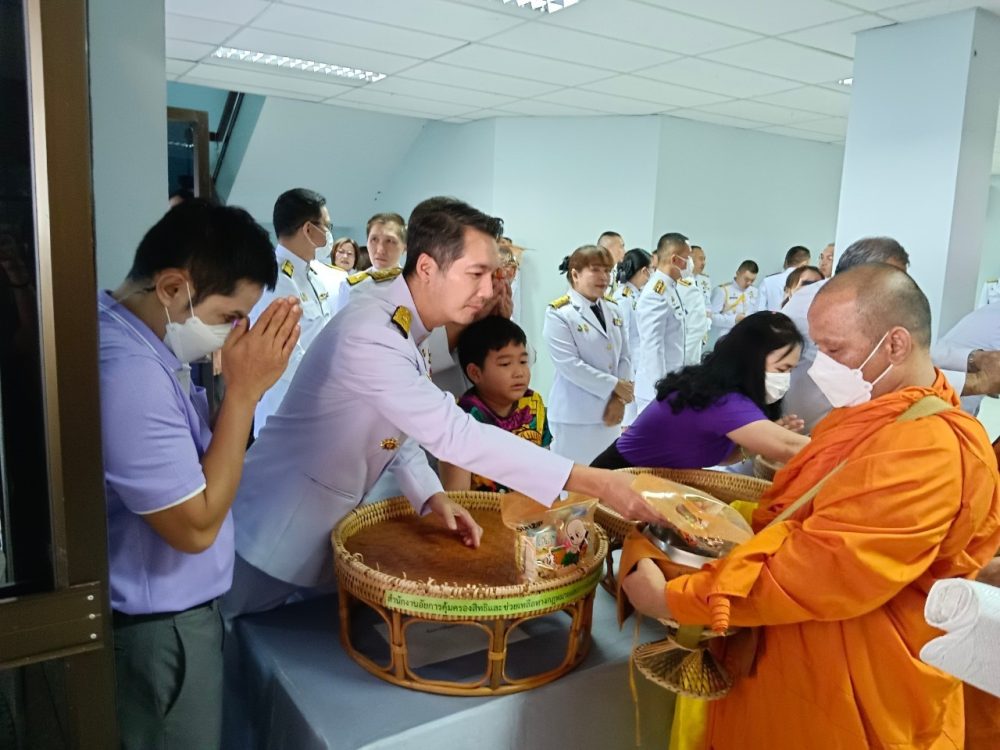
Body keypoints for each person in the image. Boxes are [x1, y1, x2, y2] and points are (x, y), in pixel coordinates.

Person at [622, 263, 1000, 750]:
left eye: (836, 350)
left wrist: (676, 600)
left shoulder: (927, 447)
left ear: (895, 344)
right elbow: (802, 510)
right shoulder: (872, 415)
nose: (823, 368)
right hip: (792, 654)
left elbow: (823, 570)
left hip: (851, 684)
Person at [225, 197, 661, 617]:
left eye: (493, 274)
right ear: (427, 268)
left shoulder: (403, 326)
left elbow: (397, 429)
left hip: (316, 525)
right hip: (273, 532)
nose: (488, 290)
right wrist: (596, 482)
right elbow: (455, 433)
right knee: (240, 638)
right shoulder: (372, 332)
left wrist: (431, 495)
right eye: (476, 274)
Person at [99, 200, 301, 749]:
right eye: (228, 318)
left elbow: (192, 457)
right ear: (171, 287)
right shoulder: (131, 376)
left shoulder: (131, 332)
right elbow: (195, 527)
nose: (232, 333)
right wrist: (244, 392)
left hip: (169, 616)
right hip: (159, 627)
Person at [591, 312, 809, 470]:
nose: (785, 379)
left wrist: (759, 440)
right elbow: (789, 447)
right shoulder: (721, 400)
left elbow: (719, 456)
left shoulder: (720, 390)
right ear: (751, 359)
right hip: (617, 479)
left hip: (651, 483)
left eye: (790, 370)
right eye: (781, 369)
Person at [781, 237, 909, 433]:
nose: (898, 289)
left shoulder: (862, 303)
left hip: (824, 424)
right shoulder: (830, 303)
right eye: (892, 279)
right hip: (804, 425)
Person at [250, 188, 334, 437]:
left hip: (313, 408)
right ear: (308, 230)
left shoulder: (311, 274)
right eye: (326, 226)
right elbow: (284, 358)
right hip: (286, 416)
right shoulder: (278, 280)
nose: (329, 235)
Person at [439, 316, 550, 492]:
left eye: (523, 361)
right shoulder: (461, 417)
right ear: (475, 373)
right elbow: (457, 495)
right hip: (483, 508)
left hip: (530, 506)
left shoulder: (533, 403)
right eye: (505, 364)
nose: (519, 372)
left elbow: (547, 469)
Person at [544, 245, 632, 465]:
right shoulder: (559, 313)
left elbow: (624, 356)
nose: (604, 277)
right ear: (575, 274)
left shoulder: (613, 308)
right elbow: (569, 365)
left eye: (608, 270)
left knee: (607, 476)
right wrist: (615, 386)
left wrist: (619, 399)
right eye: (595, 270)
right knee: (573, 480)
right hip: (575, 416)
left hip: (610, 412)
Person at [633, 232, 698, 414]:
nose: (690, 263)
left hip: (671, 384)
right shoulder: (656, 293)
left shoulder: (670, 287)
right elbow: (652, 346)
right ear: (675, 260)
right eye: (688, 258)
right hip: (656, 391)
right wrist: (661, 389)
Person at [332, 212, 407, 315]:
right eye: (374, 239)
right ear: (367, 243)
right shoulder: (350, 286)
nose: (380, 250)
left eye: (389, 241)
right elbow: (340, 324)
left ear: (405, 247)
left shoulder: (413, 286)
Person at [613, 248, 654, 425]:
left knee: (636, 419)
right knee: (627, 420)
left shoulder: (638, 294)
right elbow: (623, 340)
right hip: (630, 369)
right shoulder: (623, 298)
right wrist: (628, 376)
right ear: (644, 270)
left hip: (640, 365)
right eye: (652, 269)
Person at [709, 260, 759, 345]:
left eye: (752, 280)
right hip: (726, 338)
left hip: (748, 338)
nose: (749, 283)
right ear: (737, 273)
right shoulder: (722, 290)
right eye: (746, 279)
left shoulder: (755, 292)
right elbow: (711, 318)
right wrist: (734, 319)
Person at [759, 245, 810, 312]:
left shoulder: (767, 281)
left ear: (786, 262)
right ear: (805, 264)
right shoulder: (810, 283)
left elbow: (758, 311)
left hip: (771, 318)